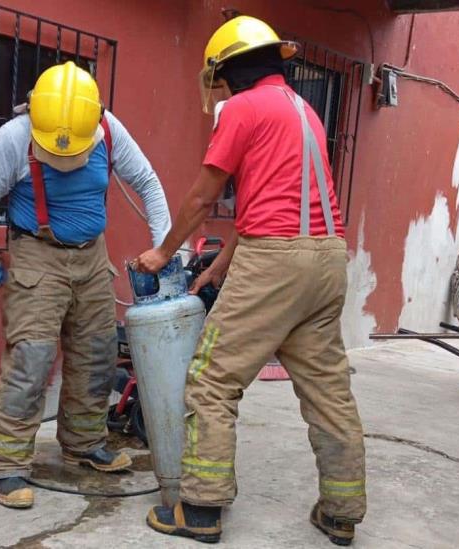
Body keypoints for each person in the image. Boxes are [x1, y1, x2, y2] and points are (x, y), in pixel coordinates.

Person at [135, 16, 366, 546]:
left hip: (276, 264)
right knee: (329, 393)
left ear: (228, 72)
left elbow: (202, 198)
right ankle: (341, 511)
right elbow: (281, 204)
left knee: (212, 380)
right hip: (328, 259)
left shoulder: (241, 109)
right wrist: (220, 265)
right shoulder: (304, 110)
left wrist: (161, 252)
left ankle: (198, 510)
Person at [0, 61, 171, 509]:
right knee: (31, 358)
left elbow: (149, 185)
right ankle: (5, 464)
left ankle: (83, 443)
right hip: (37, 254)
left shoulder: (109, 130)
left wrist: (164, 249)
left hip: (92, 255)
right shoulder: (14, 139)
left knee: (97, 353)